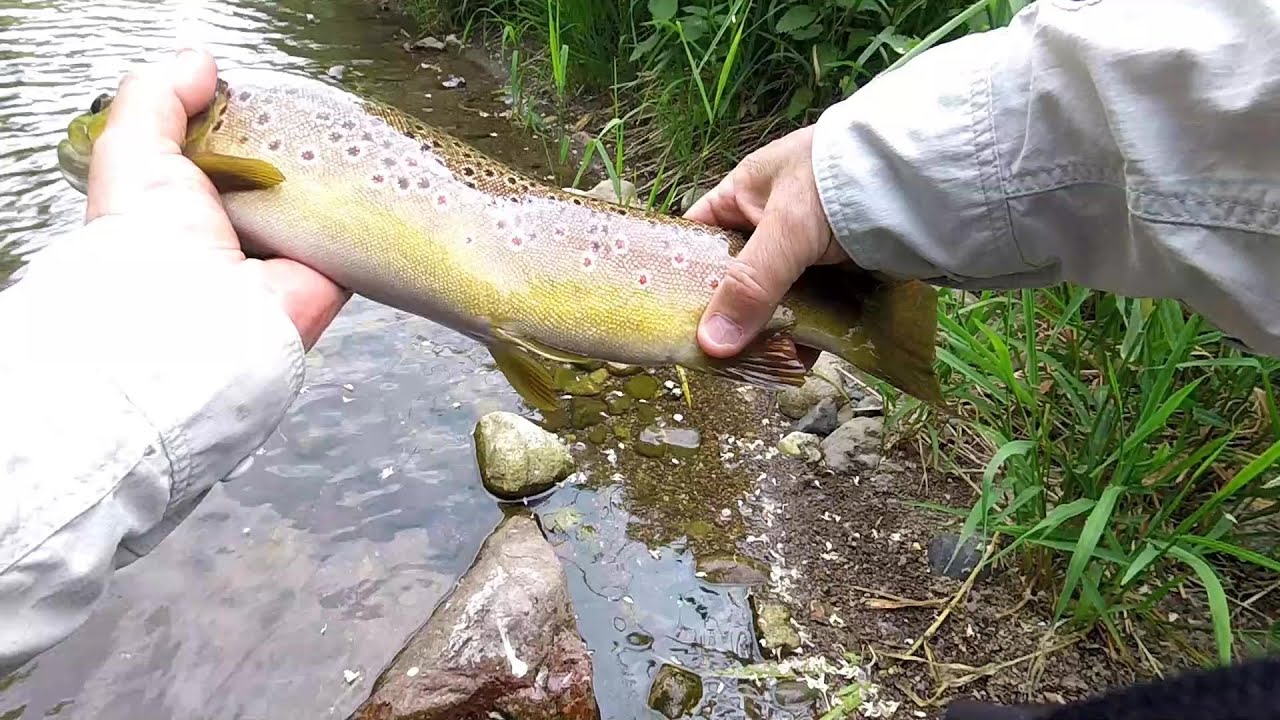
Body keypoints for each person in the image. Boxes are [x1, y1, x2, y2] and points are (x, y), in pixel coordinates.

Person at [0, 0, 1274, 706]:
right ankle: (819, 314)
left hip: (554, 276)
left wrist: (123, 324)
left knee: (550, 259)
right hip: (530, 276)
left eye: (102, 118)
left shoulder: (224, 136)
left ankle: (835, 313)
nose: (92, 129)